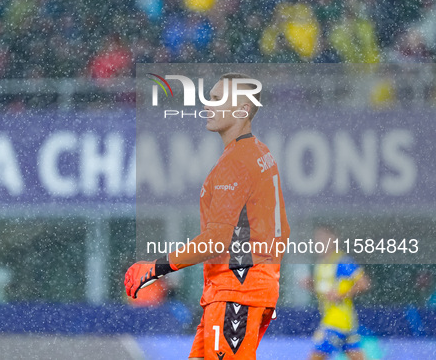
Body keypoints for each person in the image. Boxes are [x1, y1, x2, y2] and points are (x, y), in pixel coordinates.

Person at [124, 73, 291, 360]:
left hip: (235, 293)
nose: (207, 106)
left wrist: (156, 268)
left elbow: (216, 241)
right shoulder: (260, 154)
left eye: (216, 100)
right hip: (242, 291)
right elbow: (282, 231)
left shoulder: (236, 163)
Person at [304, 225, 371, 360]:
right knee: (356, 356)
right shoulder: (321, 264)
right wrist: (311, 285)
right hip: (342, 321)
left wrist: (340, 294)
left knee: (315, 357)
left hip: (336, 320)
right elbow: (326, 291)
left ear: (333, 240)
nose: (319, 242)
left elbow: (364, 283)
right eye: (317, 239)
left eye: (323, 238)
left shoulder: (342, 262)